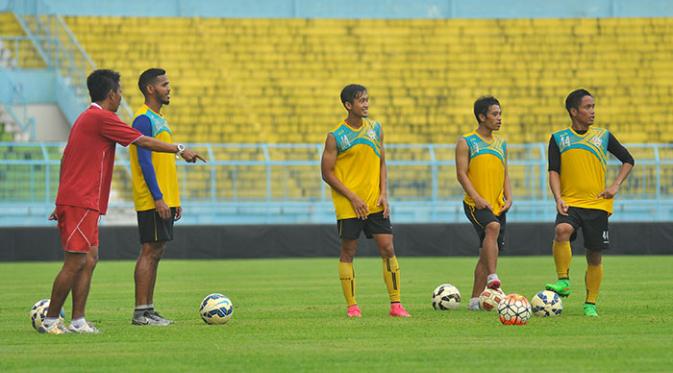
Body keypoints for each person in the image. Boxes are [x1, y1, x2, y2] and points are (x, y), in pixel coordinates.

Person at [40, 69, 205, 334]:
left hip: (83, 200)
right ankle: (50, 320)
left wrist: (61, 199)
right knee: (76, 262)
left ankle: (78, 320)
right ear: (111, 94)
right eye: (119, 91)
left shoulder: (88, 119)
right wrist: (180, 149)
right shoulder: (101, 118)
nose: (121, 97)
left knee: (89, 259)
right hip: (81, 200)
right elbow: (142, 142)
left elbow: (65, 158)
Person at [320, 84, 410, 318]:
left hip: (374, 202)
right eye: (361, 100)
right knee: (349, 250)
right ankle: (352, 306)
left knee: (388, 247)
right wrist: (352, 197)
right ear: (348, 105)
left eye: (367, 100)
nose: (366, 104)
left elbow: (381, 161)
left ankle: (396, 304)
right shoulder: (336, 136)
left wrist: (384, 193)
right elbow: (327, 173)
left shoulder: (376, 129)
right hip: (349, 204)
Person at [545, 89, 634, 317]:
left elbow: (628, 159)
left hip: (597, 205)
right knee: (561, 230)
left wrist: (614, 186)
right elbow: (553, 171)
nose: (592, 111)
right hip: (571, 202)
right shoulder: (558, 138)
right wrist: (558, 198)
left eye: (593, 106)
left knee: (594, 256)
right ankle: (563, 281)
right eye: (588, 107)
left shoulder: (603, 136)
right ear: (574, 111)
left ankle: (590, 303)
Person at [129, 68, 182, 326]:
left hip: (165, 198)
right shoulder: (142, 119)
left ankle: (148, 309)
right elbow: (144, 160)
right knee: (149, 250)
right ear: (150, 89)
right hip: (153, 199)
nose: (169, 88)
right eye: (164, 84)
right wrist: (159, 197)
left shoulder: (159, 119)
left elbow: (164, 164)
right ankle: (141, 312)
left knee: (157, 250)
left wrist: (174, 199)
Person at [455, 96, 511, 311]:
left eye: (500, 114)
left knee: (485, 252)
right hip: (475, 204)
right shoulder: (466, 141)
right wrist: (476, 198)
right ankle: (493, 279)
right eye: (495, 114)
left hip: (498, 204)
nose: (499, 118)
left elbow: (505, 172)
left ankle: (474, 301)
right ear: (481, 116)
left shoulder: (501, 143)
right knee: (492, 227)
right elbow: (461, 174)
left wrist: (509, 196)